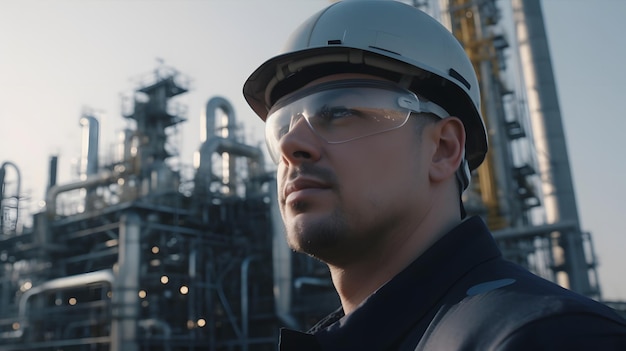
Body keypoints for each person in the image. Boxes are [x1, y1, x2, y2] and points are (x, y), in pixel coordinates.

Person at [243, 1, 626, 350]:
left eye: (339, 111)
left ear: (443, 148)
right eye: (280, 126)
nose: (292, 145)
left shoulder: (551, 337)